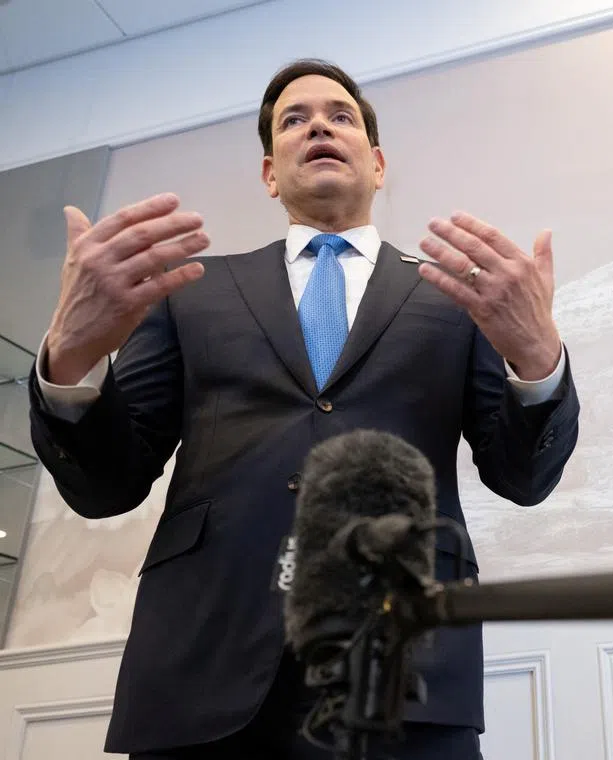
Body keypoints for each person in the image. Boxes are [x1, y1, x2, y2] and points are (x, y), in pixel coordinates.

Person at [27, 58, 580, 760]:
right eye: (294, 119)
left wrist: (537, 363)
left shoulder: (456, 296)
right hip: (204, 665)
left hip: (407, 665)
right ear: (268, 174)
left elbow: (522, 477)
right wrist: (70, 366)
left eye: (339, 115)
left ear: (377, 165)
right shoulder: (190, 292)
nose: (318, 123)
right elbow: (106, 484)